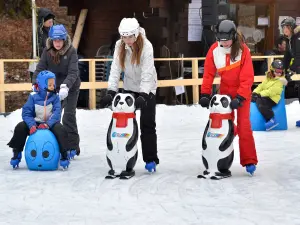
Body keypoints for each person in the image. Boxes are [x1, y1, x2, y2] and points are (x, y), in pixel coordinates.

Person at [99, 17, 159, 173]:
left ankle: (150, 159)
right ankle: (122, 156)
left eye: (130, 37)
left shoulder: (147, 47)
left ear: (136, 34)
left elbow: (147, 73)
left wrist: (144, 95)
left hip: (148, 88)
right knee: (124, 123)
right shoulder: (120, 46)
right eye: (124, 37)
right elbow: (115, 70)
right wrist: (111, 91)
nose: (127, 40)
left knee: (147, 124)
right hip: (129, 87)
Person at [199, 20, 258, 176]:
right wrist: (205, 93)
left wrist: (240, 97)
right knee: (224, 126)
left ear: (233, 36)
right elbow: (208, 73)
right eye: (221, 40)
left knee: (244, 125)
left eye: (226, 40)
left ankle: (249, 160)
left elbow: (247, 78)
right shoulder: (214, 50)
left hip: (242, 92)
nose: (223, 43)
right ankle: (220, 157)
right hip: (225, 91)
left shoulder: (243, 51)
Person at [32, 24, 81, 158]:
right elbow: (40, 69)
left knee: (68, 116)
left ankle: (73, 146)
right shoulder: (47, 52)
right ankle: (56, 145)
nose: (58, 43)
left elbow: (73, 72)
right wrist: (35, 83)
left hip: (70, 87)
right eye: (55, 40)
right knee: (53, 117)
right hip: (53, 88)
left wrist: (66, 86)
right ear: (51, 40)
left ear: (64, 39)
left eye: (60, 40)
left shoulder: (71, 51)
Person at [7, 71, 70, 169]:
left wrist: (48, 124)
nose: (52, 86)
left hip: (50, 124)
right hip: (35, 123)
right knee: (20, 127)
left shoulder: (55, 98)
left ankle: (64, 154)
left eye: (53, 84)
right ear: (42, 85)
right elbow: (26, 113)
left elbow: (57, 113)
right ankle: (17, 152)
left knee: (60, 129)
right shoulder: (33, 97)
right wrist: (32, 125)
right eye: (49, 84)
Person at [252, 60, 287, 131]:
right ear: (272, 70)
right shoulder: (268, 78)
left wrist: (259, 94)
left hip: (272, 99)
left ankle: (272, 119)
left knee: (261, 102)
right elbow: (261, 86)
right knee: (254, 99)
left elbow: (271, 91)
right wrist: (255, 93)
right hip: (265, 96)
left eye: (280, 72)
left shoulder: (281, 80)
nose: (279, 73)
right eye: (277, 71)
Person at [281, 17, 300, 127]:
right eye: (283, 27)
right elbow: (287, 57)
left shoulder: (297, 38)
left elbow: (298, 56)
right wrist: (281, 69)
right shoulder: (290, 40)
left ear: (292, 27)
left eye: (287, 27)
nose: (285, 30)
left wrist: (292, 70)